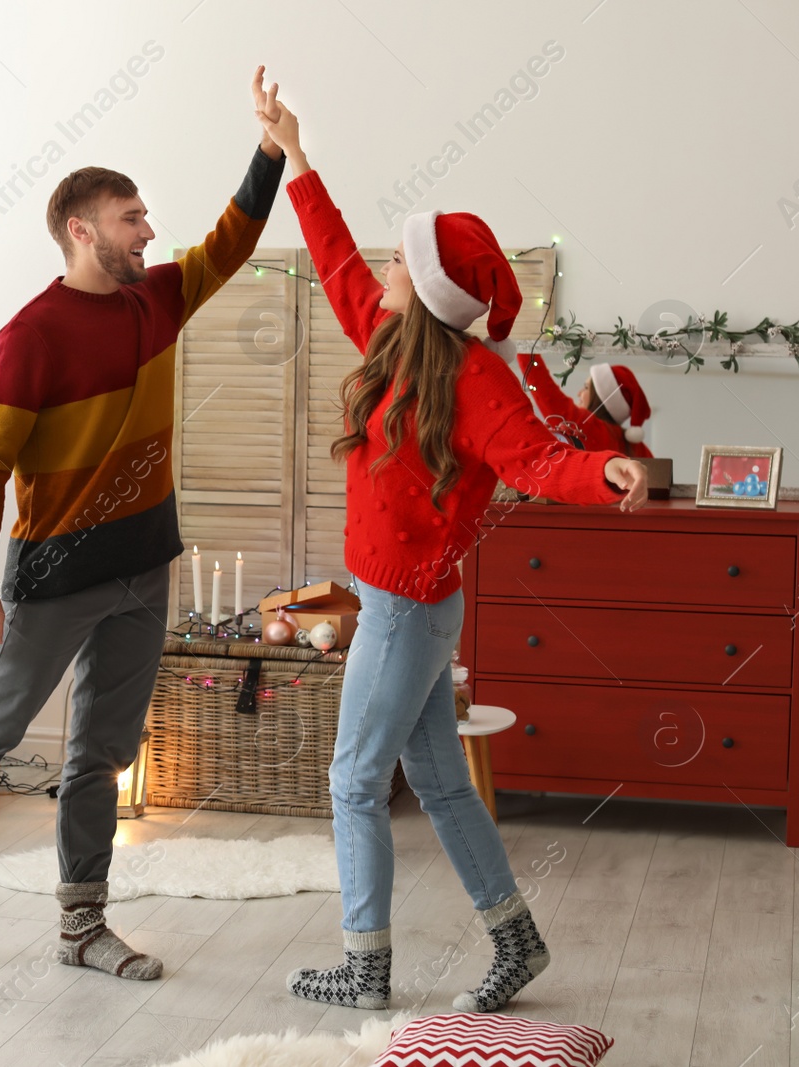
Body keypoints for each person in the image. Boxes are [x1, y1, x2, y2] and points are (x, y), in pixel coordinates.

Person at [0, 69, 289, 982]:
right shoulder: (32, 334)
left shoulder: (158, 299)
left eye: (147, 220)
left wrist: (271, 150)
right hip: (52, 579)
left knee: (100, 757)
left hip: (143, 568)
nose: (149, 232)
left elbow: (231, 243)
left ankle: (82, 927)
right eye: (132, 219)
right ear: (83, 230)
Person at [252, 78, 647, 1013]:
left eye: (405, 256)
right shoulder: (387, 336)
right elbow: (334, 249)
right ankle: (518, 941)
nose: (386, 262)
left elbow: (543, 462)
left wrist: (607, 473)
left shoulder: (480, 385)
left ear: (430, 288)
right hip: (407, 609)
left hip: (408, 613)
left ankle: (365, 964)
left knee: (354, 781)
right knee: (439, 781)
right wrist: (293, 151)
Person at [517, 352, 655, 458]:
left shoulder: (584, 425)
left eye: (586, 388)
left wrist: (527, 342)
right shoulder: (637, 447)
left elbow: (544, 389)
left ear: (600, 398)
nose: (579, 393)